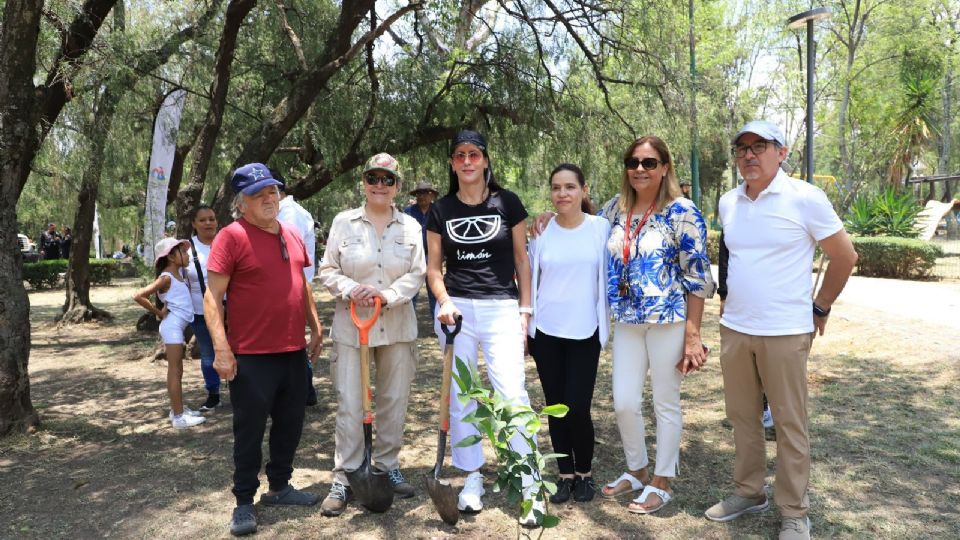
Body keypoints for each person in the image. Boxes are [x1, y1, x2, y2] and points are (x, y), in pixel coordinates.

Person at [705, 120, 857, 540]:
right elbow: (732, 258)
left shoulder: (805, 198)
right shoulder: (728, 202)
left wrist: (821, 305)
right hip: (735, 328)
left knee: (790, 424)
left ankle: (794, 511)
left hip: (786, 331)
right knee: (742, 417)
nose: (749, 155)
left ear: (782, 151)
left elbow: (845, 256)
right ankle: (749, 492)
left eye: (760, 146)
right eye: (742, 148)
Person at [426, 129, 542, 526]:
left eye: (474, 154)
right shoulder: (440, 209)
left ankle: (529, 483)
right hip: (457, 312)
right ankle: (472, 477)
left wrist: (525, 311)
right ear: (452, 163)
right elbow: (433, 269)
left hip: (501, 308)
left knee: (511, 394)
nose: (467, 161)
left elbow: (522, 261)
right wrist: (444, 302)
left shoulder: (507, 202)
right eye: (459, 155)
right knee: (462, 397)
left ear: (486, 160)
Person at [595, 136, 715, 514]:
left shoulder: (683, 212)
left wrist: (693, 336)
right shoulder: (613, 210)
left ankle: (661, 481)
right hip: (627, 321)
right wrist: (550, 219)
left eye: (649, 163)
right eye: (633, 162)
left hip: (669, 321)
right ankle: (636, 469)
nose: (640, 170)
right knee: (624, 402)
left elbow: (698, 277)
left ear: (664, 167)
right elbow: (583, 232)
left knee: (665, 402)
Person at [203, 163, 324, 537]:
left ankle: (280, 487)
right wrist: (222, 350)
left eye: (272, 190)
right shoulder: (231, 237)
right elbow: (212, 297)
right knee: (249, 431)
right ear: (242, 204)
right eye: (259, 194)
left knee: (291, 423)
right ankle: (243, 502)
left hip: (292, 350)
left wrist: (316, 327)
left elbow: (301, 285)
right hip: (251, 355)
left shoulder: (291, 233)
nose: (270, 198)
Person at [317, 152, 426, 516]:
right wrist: (352, 289)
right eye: (373, 178)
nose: (380, 185)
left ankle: (385, 466)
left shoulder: (410, 227)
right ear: (363, 182)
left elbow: (418, 273)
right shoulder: (343, 223)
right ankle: (345, 477)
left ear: (398, 186)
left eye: (388, 180)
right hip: (353, 327)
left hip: (396, 327)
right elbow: (328, 268)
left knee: (393, 401)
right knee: (351, 405)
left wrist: (389, 295)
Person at [527, 164, 610, 504]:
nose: (562, 193)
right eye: (556, 187)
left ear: (583, 190)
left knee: (577, 407)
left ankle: (585, 473)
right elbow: (530, 277)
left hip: (585, 331)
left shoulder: (600, 228)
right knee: (555, 407)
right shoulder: (541, 231)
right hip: (546, 332)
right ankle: (564, 476)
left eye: (570, 187)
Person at [133, 237, 205, 429]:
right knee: (175, 370)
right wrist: (158, 313)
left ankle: (177, 409)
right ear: (172, 257)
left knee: (178, 370)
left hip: (177, 326)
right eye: (182, 251)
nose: (187, 254)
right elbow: (138, 295)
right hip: (172, 326)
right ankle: (179, 417)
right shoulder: (166, 277)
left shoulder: (179, 273)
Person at [274, 169, 320, 407]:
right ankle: (304, 388)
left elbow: (287, 254)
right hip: (293, 285)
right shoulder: (287, 211)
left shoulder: (289, 215)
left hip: (295, 285)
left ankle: (304, 388)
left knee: (294, 341)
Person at [183, 204, 222, 411]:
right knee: (208, 354)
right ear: (194, 224)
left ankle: (242, 391)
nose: (208, 223)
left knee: (240, 351)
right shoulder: (186, 249)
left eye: (212, 218)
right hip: (200, 312)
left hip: (231, 309)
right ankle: (214, 394)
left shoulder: (226, 242)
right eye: (203, 220)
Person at [404, 180, 439, 315]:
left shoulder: (437, 210)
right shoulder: (408, 212)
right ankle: (407, 323)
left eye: (425, 193)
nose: (422, 196)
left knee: (435, 291)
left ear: (431, 195)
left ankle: (438, 323)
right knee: (411, 292)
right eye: (419, 193)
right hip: (412, 257)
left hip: (433, 257)